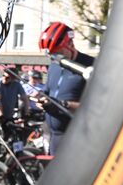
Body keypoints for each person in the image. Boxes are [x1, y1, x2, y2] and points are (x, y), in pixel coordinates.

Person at [37, 21, 94, 155]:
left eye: (58, 52)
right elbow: (47, 92)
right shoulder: (54, 66)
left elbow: (95, 107)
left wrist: (63, 104)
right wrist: (41, 98)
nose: (54, 57)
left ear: (70, 44)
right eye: (51, 54)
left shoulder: (90, 66)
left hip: (77, 138)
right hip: (53, 136)